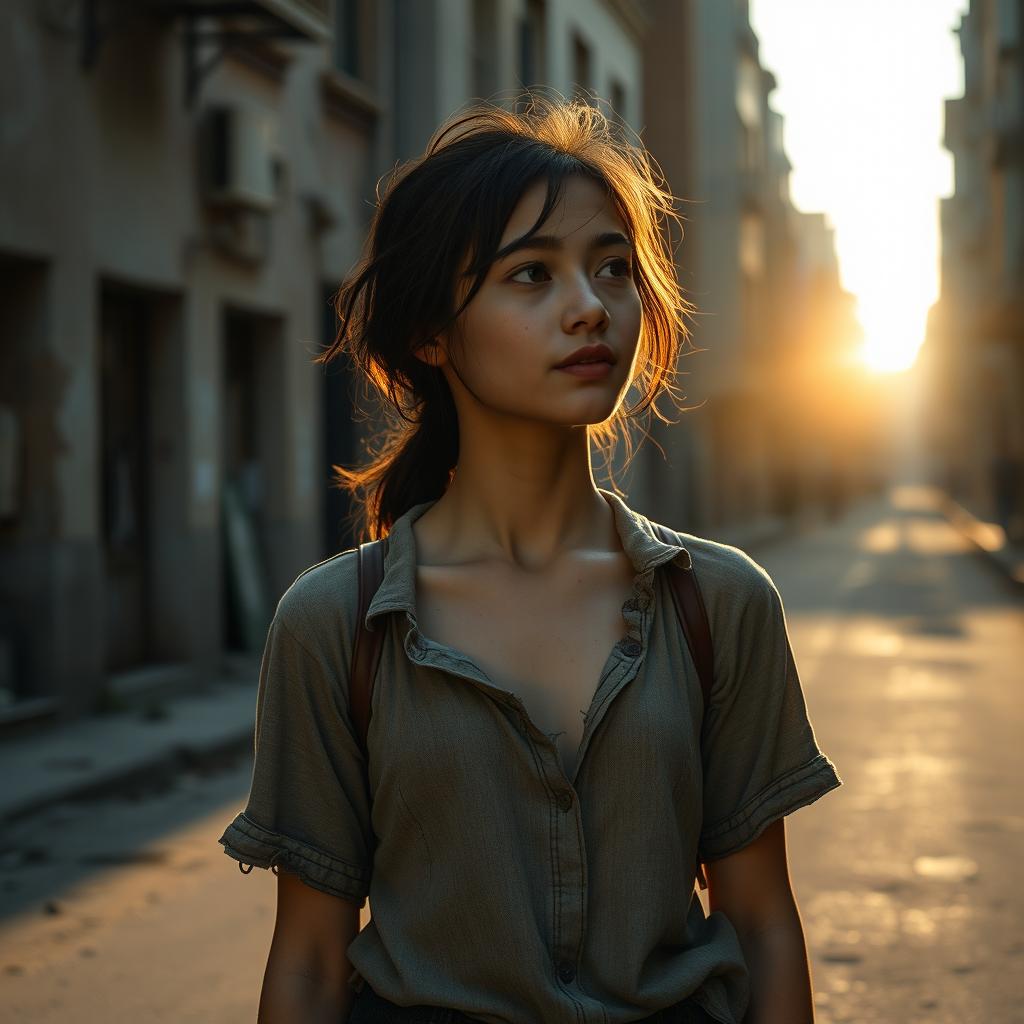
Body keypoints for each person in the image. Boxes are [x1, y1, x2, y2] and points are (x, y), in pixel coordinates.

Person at [218, 93, 841, 1024]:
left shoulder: (717, 603)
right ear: (431, 332)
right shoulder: (335, 626)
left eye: (612, 270)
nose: (589, 309)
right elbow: (308, 959)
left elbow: (761, 926)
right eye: (530, 276)